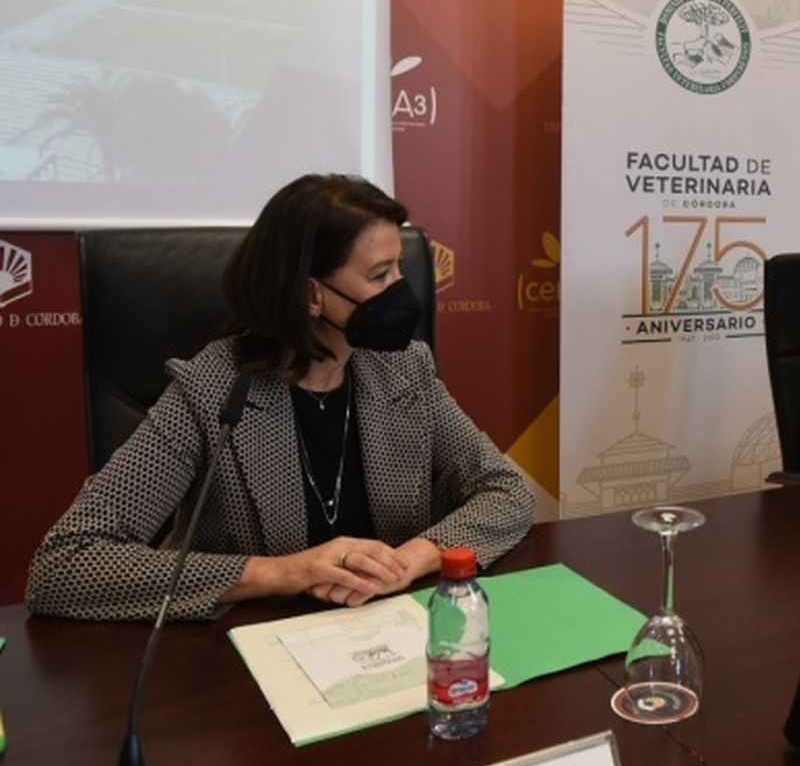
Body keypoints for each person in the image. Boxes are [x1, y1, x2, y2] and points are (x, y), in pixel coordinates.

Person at [26, 175, 536, 622]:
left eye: (400, 269)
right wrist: (281, 573)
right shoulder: (211, 389)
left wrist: (412, 561)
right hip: (242, 664)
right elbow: (65, 563)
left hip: (388, 634)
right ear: (311, 295)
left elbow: (506, 492)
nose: (404, 292)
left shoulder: (405, 367)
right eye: (380, 276)